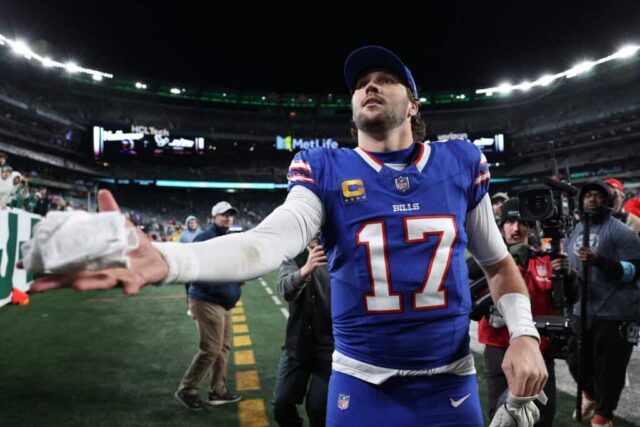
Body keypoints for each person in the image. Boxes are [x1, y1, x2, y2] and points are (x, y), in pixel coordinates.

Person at [26, 46, 548, 426]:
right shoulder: (323, 167)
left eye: (385, 78)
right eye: (361, 82)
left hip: (451, 380)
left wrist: (524, 332)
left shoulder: (460, 163)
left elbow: (499, 266)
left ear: (413, 104)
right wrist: (170, 259)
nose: (369, 85)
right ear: (350, 109)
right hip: (361, 382)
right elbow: (267, 240)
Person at [478, 198, 565, 426]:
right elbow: (472, 306)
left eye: (522, 222)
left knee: (544, 417)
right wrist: (508, 262)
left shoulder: (547, 260)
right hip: (498, 347)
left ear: (531, 227)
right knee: (501, 416)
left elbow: (565, 301)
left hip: (539, 349)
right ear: (501, 226)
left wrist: (569, 279)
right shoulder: (486, 263)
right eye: (510, 222)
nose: (516, 228)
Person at [565, 180, 640, 427]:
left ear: (607, 200)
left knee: (610, 369)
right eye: (588, 195)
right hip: (583, 309)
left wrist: (601, 262)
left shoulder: (622, 232)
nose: (592, 199)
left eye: (598, 195)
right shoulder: (576, 229)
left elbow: (633, 271)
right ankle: (591, 395)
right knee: (575, 360)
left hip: (615, 312)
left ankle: (604, 415)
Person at [174, 201, 242, 411]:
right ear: (213, 218)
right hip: (206, 301)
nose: (228, 218)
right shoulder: (204, 240)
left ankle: (217, 391)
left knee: (223, 348)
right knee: (211, 349)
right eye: (223, 215)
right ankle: (187, 390)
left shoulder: (228, 239)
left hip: (223, 302)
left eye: (231, 215)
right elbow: (195, 273)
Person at [272, 235, 333, 427]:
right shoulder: (293, 255)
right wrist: (306, 270)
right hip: (297, 345)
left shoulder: (338, 252)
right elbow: (285, 289)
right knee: (281, 404)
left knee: (318, 410)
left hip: (330, 348)